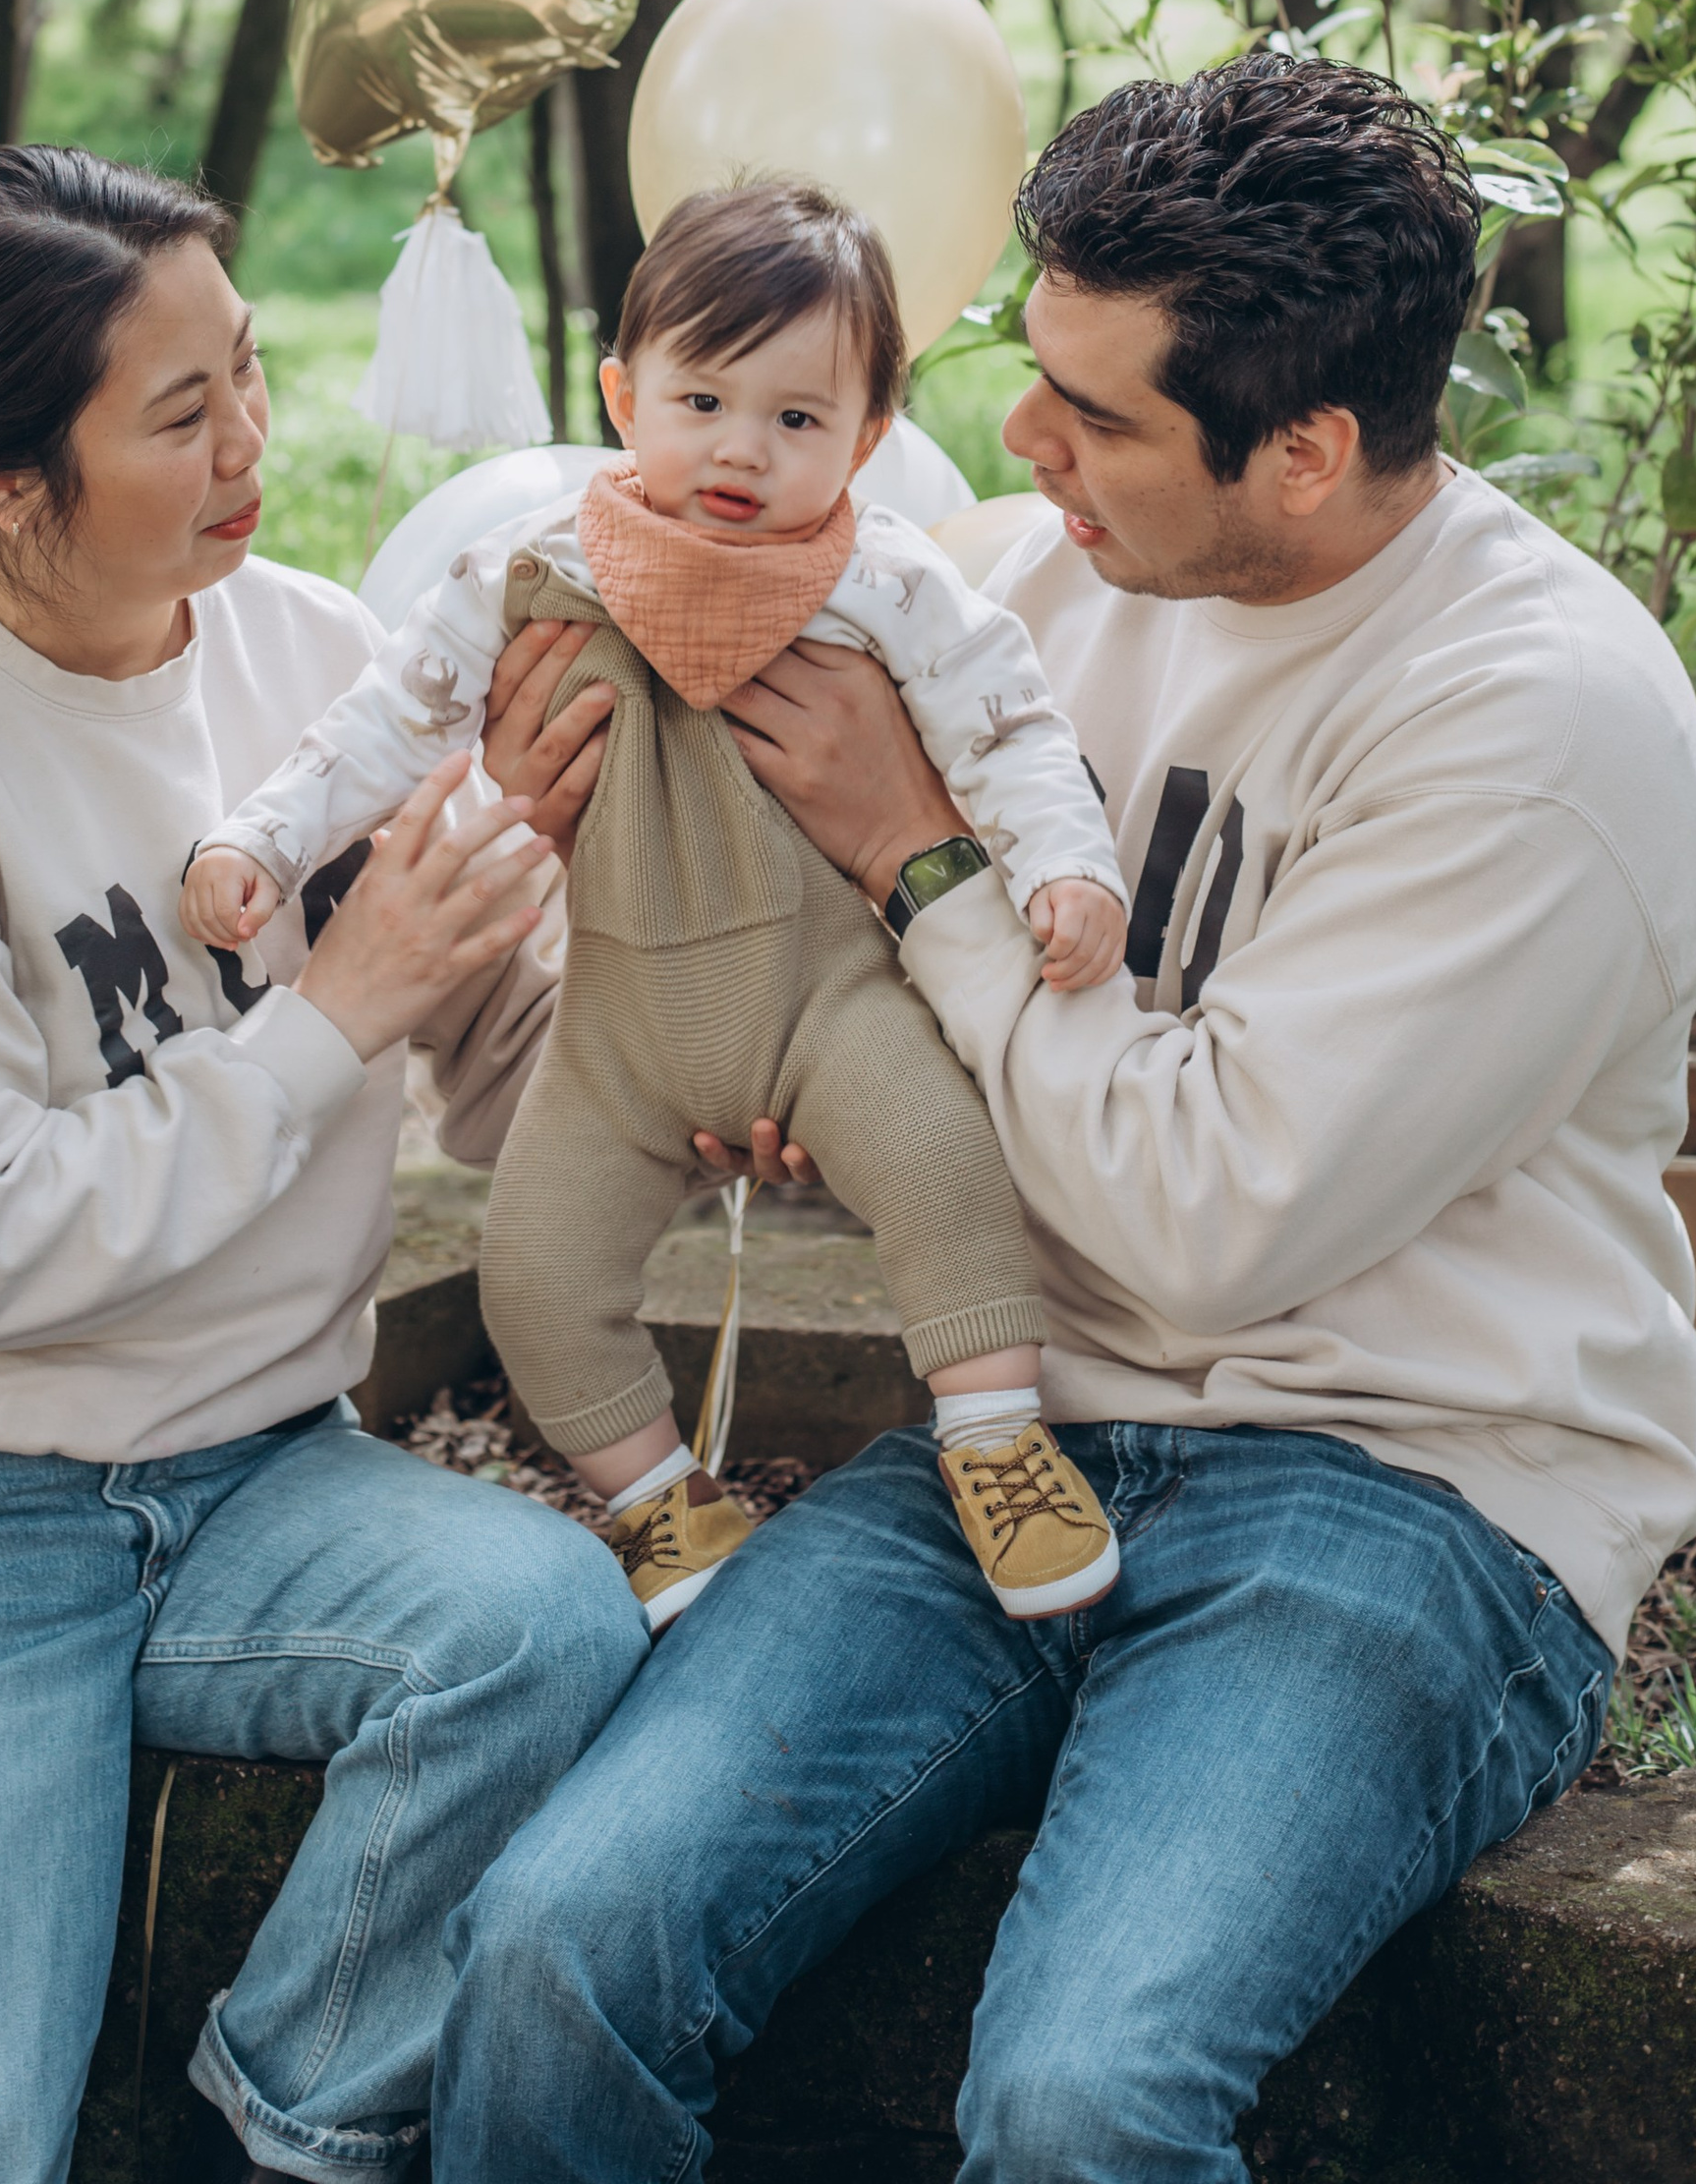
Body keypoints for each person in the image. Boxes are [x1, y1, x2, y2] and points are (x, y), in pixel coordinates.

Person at [435, 54, 1696, 2184]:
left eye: (1096, 415)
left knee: (1079, 2104)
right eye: (1022, 374)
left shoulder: (1537, 730)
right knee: (549, 1951)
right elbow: (715, 1024)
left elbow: (1208, 1222)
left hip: (1401, 1492)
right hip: (1009, 1429)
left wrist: (909, 864)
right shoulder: (1021, 589)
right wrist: (630, 880)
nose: (1016, 445)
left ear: (1303, 453)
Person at [0, 144, 642, 2184]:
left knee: (545, 1626)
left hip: (254, 1475)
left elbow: (483, 1087)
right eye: (178, 411)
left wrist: (571, 943)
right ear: (9, 483)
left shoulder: (310, 660)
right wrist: (338, 1007)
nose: (249, 441)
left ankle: (276, 2131)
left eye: (246, 369)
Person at [188, 180, 1127, 1633]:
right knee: (535, 1276)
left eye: (798, 420)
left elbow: (1008, 727)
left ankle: (993, 1437)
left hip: (829, 1005)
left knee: (949, 1169)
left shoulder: (883, 580)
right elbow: (388, 722)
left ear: (871, 440)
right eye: (702, 400)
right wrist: (264, 835)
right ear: (626, 397)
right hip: (618, 1027)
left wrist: (1070, 867)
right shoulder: (532, 573)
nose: (742, 451)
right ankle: (657, 1501)